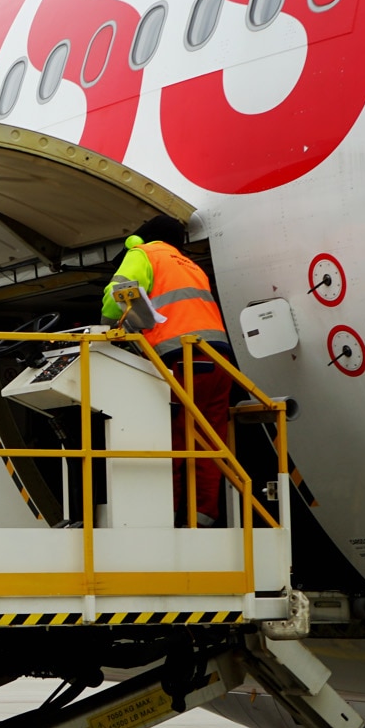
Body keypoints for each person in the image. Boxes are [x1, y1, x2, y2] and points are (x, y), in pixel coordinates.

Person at [100, 215, 233, 527]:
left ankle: (166, 518)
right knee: (208, 440)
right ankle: (202, 518)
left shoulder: (143, 254)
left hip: (181, 357)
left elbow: (114, 298)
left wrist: (106, 325)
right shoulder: (189, 264)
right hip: (220, 361)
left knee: (167, 438)